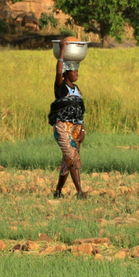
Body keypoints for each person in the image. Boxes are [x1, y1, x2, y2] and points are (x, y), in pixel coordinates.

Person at [49, 55, 87, 199]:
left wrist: (82, 129)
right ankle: (79, 192)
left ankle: (58, 191)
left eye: (77, 71)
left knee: (67, 160)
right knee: (73, 158)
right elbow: (58, 73)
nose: (77, 73)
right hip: (63, 127)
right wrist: (62, 54)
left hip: (76, 128)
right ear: (66, 73)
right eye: (74, 71)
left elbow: (80, 110)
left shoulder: (76, 89)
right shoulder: (61, 88)